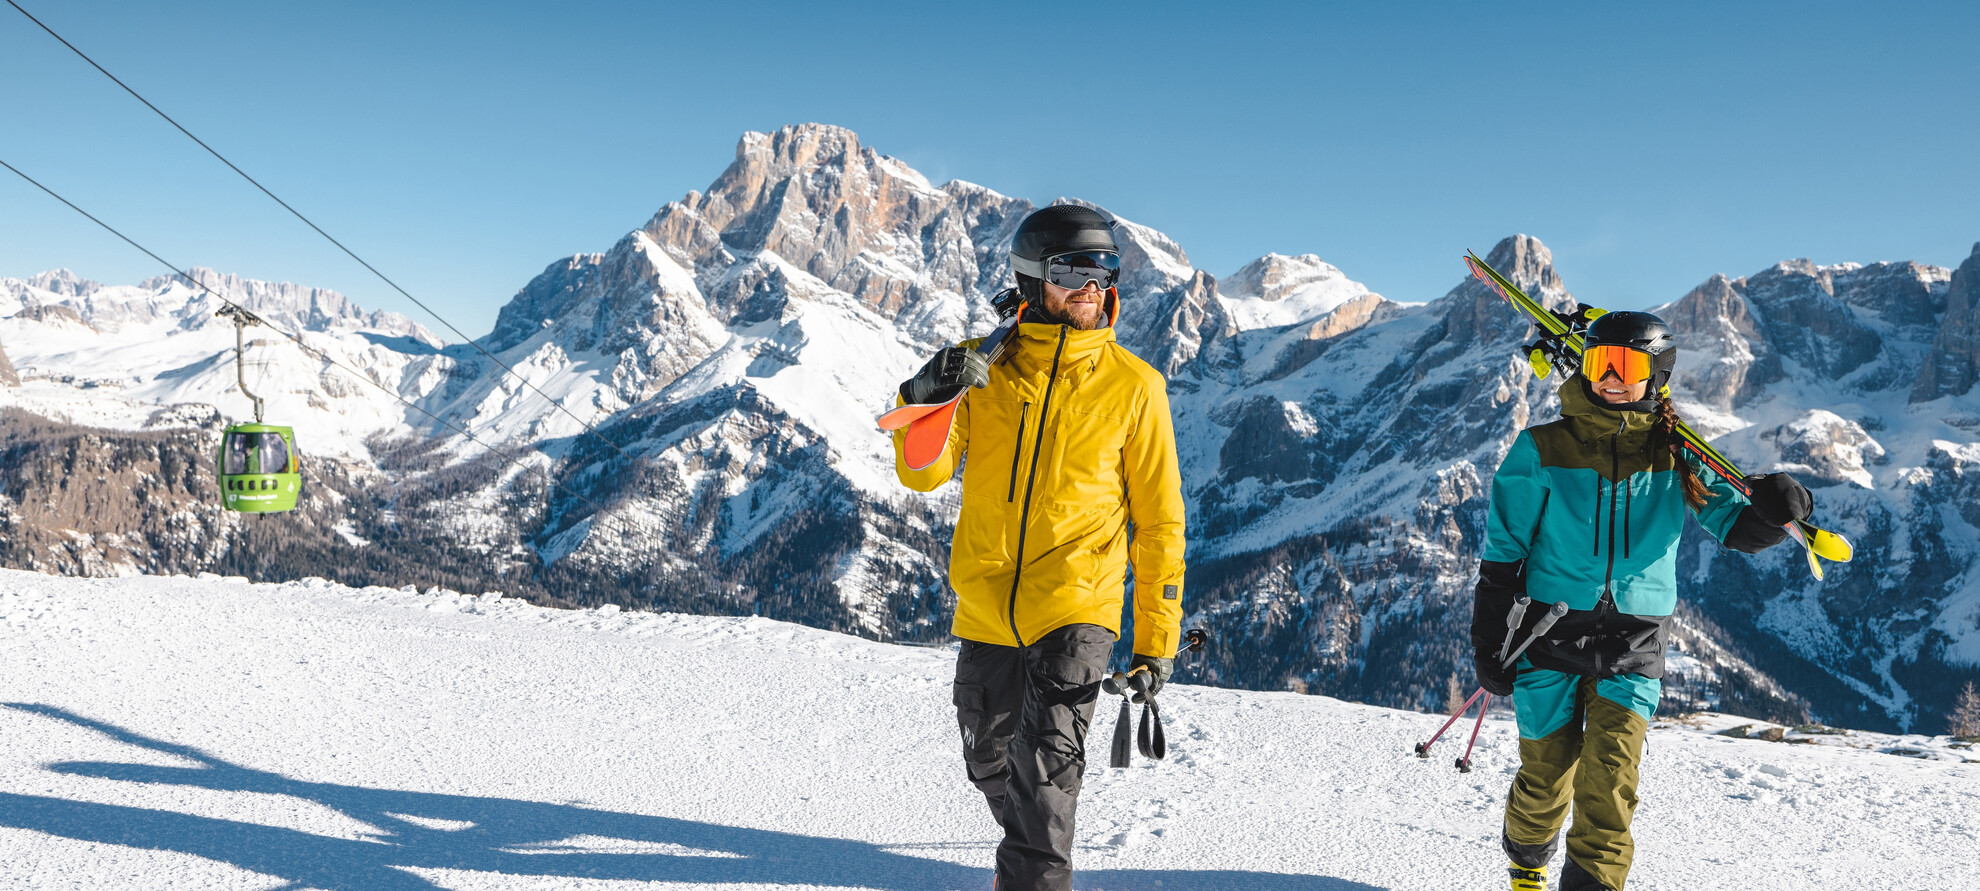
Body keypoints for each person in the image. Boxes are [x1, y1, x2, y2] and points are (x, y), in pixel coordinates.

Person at [891, 204, 1187, 891]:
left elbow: (1162, 523)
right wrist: (920, 397)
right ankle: (1029, 838)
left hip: (1078, 608)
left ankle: (1032, 868)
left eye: (1104, 266)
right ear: (1032, 278)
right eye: (1072, 268)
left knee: (1048, 775)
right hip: (988, 603)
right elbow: (922, 472)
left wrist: (1155, 641)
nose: (1091, 283)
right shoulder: (984, 365)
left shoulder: (1136, 388)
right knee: (991, 758)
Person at [1473, 310, 1812, 891]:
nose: (1610, 377)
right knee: (1545, 779)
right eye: (1599, 361)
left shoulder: (1677, 454)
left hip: (1634, 641)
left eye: (1627, 365)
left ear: (1656, 372)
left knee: (1610, 785)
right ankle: (1526, 864)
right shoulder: (1541, 448)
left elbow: (1734, 527)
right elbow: (1503, 553)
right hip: (1546, 635)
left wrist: (1780, 513)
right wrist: (1489, 639)